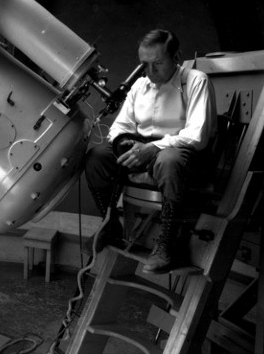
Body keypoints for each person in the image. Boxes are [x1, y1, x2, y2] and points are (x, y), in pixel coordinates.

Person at [83, 29, 217, 273]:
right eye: (144, 64)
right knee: (97, 157)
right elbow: (120, 127)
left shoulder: (196, 81)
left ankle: (167, 243)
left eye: (158, 64)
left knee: (169, 161)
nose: (150, 72)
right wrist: (125, 144)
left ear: (177, 56)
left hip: (178, 151)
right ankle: (110, 225)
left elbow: (196, 135)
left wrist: (152, 147)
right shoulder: (140, 86)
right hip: (142, 147)